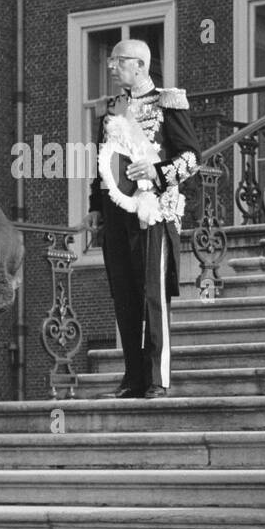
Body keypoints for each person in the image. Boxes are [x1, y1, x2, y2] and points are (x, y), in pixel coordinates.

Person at [85, 39, 199, 399]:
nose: (112, 67)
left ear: (140, 65)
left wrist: (158, 169)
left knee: (153, 293)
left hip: (154, 211)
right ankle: (132, 377)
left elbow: (191, 157)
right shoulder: (113, 108)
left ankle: (157, 378)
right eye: (112, 60)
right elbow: (102, 161)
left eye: (118, 61)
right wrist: (95, 207)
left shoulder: (169, 102)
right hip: (117, 212)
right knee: (124, 295)